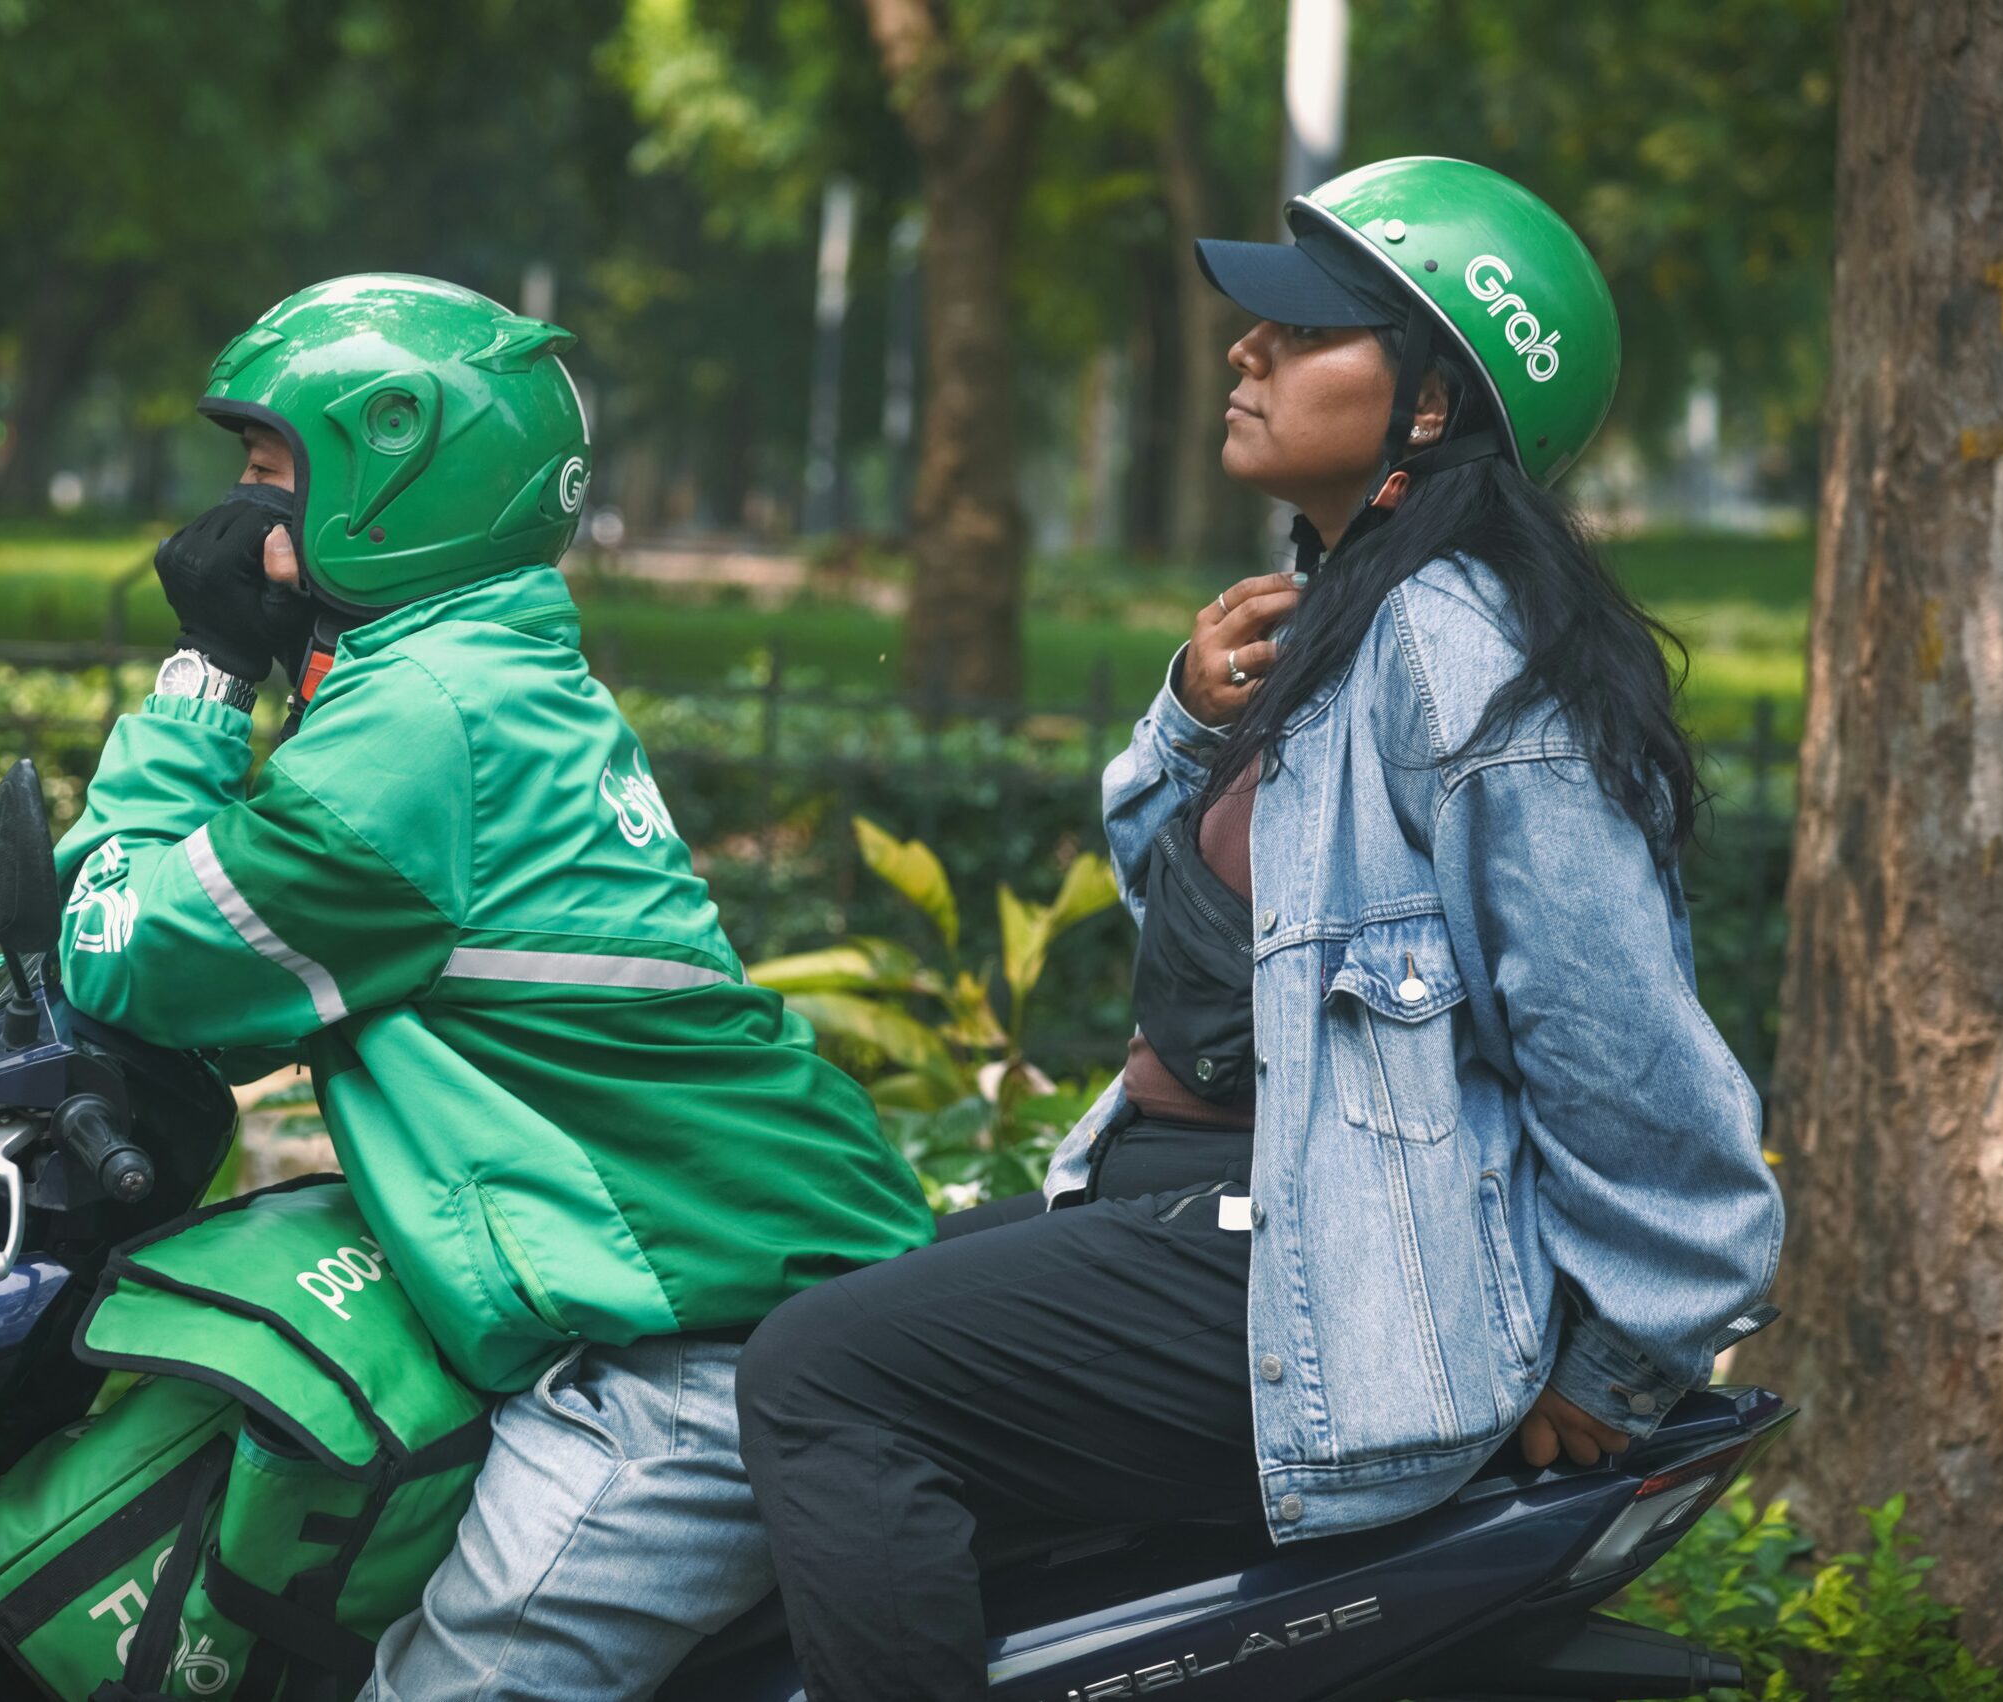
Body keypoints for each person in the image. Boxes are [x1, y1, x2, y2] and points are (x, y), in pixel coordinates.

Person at [733, 157, 1786, 1702]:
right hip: (1212, 1210)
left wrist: (1622, 1359)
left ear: (1427, 407)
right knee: (826, 1290)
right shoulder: (1339, 618)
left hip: (1316, 1264)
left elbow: (1625, 1047)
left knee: (817, 1377)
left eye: (1300, 332)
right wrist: (1181, 717)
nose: (1245, 350)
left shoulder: (1454, 648)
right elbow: (1200, 937)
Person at [49, 273, 934, 1701]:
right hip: (705, 1292)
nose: (237, 516)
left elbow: (129, 949)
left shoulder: (420, 729)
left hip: (689, 1363)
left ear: (391, 474)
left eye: (271, 473)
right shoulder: (469, 674)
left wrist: (209, 674)